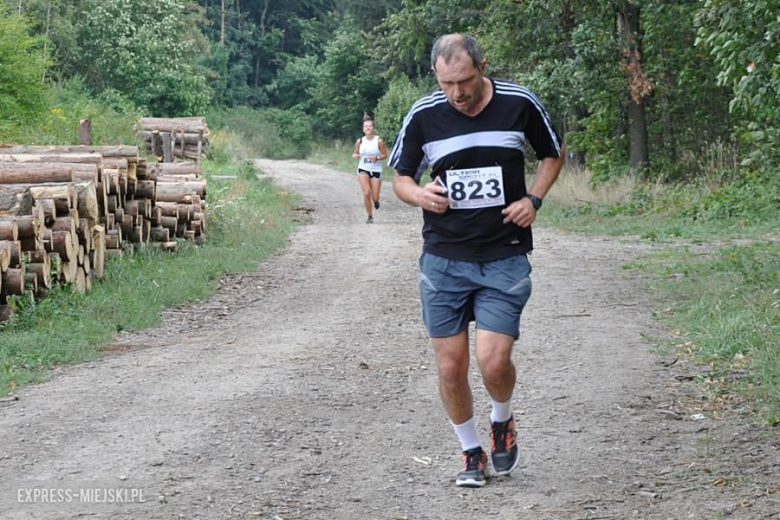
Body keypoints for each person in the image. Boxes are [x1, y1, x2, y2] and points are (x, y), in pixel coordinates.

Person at [389, 34, 565, 488]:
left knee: (492, 362)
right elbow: (401, 178)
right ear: (436, 76)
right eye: (448, 83)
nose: (458, 93)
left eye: (465, 80)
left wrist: (534, 199)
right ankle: (470, 451)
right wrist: (420, 195)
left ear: (483, 67)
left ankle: (501, 420)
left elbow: (552, 152)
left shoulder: (518, 102)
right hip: (444, 258)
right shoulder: (424, 114)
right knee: (450, 368)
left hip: (504, 254)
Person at [352, 115, 388, 223]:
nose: (367, 128)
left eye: (369, 126)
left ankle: (376, 201)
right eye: (365, 126)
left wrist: (377, 157)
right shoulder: (360, 141)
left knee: (375, 197)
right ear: (363, 129)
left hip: (376, 170)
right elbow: (355, 153)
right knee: (367, 192)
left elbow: (385, 155)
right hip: (363, 168)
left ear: (373, 128)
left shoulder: (379, 141)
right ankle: (370, 216)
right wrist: (355, 155)